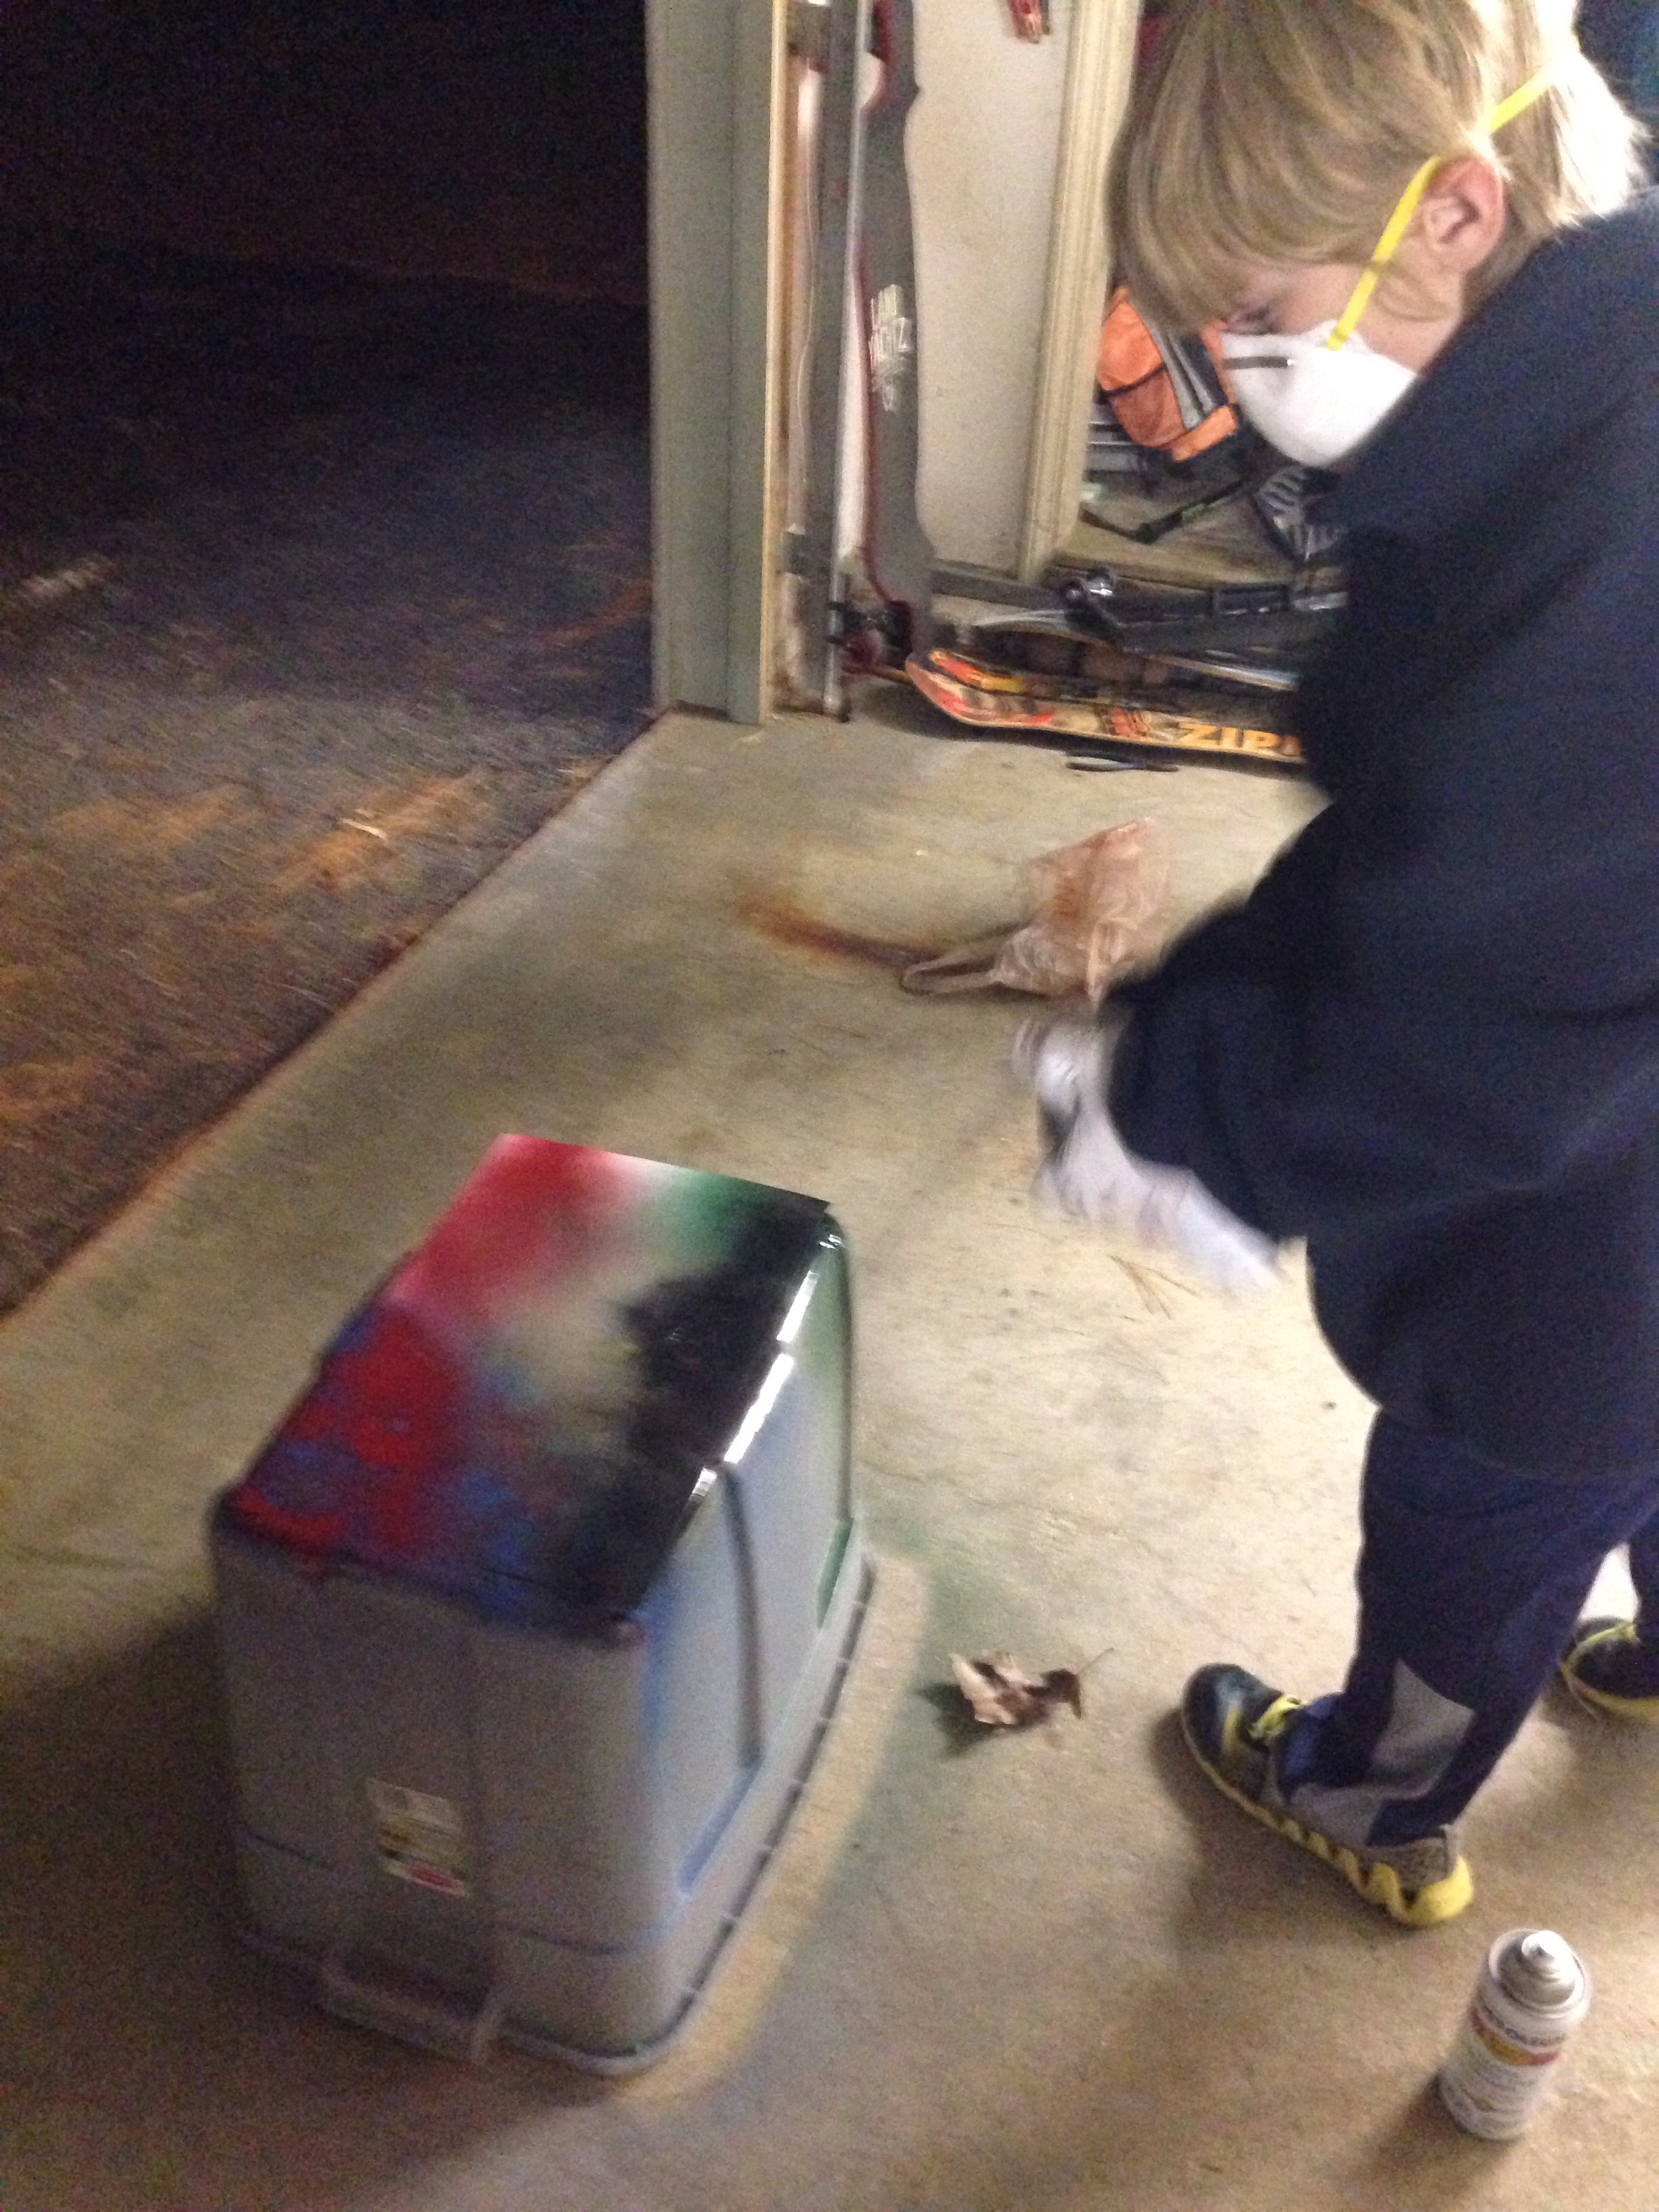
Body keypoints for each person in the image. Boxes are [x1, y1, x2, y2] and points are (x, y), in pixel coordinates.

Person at [1021, 0, 1658, 1927]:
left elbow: (1481, 992)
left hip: (1598, 1243)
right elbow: (1451, 836)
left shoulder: (1600, 544)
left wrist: (1189, 1113)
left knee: (1489, 1489)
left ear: (1452, 211)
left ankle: (1373, 1801)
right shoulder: (1573, 406)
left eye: (1259, 310)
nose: (1234, 375)